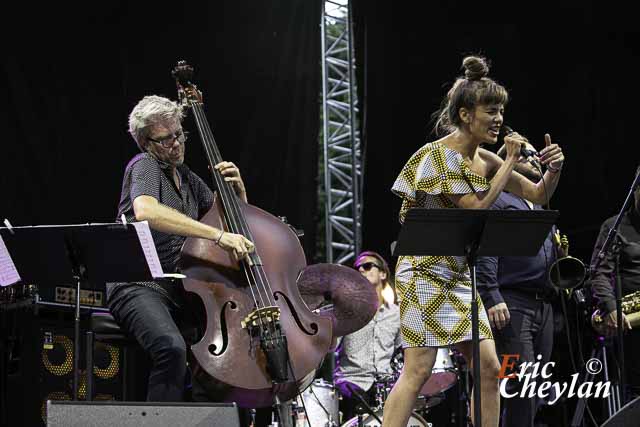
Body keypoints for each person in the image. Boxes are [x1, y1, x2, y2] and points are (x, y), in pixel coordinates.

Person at [384, 55, 565, 427]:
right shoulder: (439, 157)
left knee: (488, 366)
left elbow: (537, 192)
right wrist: (510, 161)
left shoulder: (484, 159)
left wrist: (553, 169)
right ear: (466, 115)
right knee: (418, 369)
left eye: (501, 111)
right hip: (423, 271)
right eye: (491, 111)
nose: (499, 119)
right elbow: (476, 208)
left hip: (458, 274)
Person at [107, 95, 255, 402]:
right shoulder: (144, 165)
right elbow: (147, 210)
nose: (176, 144)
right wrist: (216, 236)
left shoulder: (188, 178)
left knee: (221, 360)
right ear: (146, 142)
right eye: (165, 139)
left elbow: (232, 225)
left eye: (178, 134)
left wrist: (239, 192)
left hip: (181, 291)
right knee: (170, 347)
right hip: (138, 285)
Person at [476, 141, 559, 427]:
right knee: (519, 386)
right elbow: (486, 247)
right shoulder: (499, 199)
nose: (533, 158)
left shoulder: (535, 202)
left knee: (535, 386)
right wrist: (491, 295)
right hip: (512, 303)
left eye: (534, 154)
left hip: (543, 303)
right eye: (525, 153)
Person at [589, 169, 640, 397]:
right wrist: (610, 307)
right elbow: (598, 272)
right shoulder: (614, 227)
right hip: (630, 323)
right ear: (635, 192)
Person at [334, 251, 401, 422]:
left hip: (385, 384)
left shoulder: (396, 314)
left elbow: (401, 352)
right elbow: (330, 346)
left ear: (383, 274)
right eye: (357, 269)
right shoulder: (346, 311)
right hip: (352, 381)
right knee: (359, 403)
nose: (361, 271)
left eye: (367, 266)